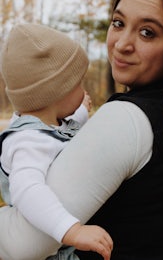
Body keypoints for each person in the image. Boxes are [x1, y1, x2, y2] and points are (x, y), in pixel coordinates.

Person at [0, 0, 163, 260]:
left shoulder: (127, 120)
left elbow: (24, 244)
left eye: (147, 32)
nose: (121, 44)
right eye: (118, 23)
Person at [0, 23, 113, 260]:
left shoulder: (43, 126)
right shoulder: (27, 142)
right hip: (50, 252)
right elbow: (28, 190)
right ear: (56, 92)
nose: (83, 90)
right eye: (78, 84)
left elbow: (61, 130)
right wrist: (72, 230)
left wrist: (80, 113)